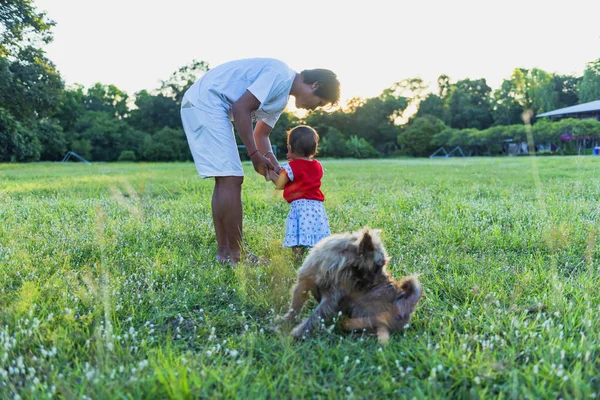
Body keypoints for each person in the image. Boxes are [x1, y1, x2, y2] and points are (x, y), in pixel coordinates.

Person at [180, 58, 340, 264]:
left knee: (225, 179)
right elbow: (240, 109)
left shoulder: (281, 98)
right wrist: (255, 155)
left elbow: (261, 135)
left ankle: (225, 253)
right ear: (314, 85)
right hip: (207, 103)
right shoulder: (281, 75)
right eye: (319, 104)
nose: (313, 109)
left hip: (206, 105)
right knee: (231, 179)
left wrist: (272, 163)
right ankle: (237, 256)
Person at [270, 126, 331, 261]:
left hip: (301, 207)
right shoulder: (317, 165)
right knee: (315, 232)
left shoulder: (291, 167)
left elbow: (280, 183)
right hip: (317, 207)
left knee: (299, 233)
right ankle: (320, 258)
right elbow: (306, 175)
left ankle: (297, 258)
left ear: (290, 148)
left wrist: (270, 174)